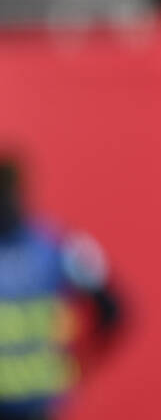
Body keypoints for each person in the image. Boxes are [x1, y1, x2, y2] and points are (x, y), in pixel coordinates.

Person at [0, 156, 122, 420]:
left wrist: (79, 363)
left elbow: (114, 310)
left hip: (39, 405)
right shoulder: (57, 245)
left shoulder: (59, 246)